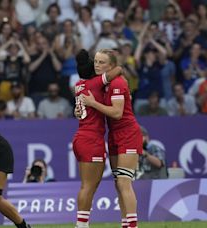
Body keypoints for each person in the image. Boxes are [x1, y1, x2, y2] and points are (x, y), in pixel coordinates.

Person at [82, 49, 143, 228]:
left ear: (111, 66)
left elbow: (117, 113)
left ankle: (132, 225)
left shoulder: (117, 83)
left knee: (124, 182)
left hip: (128, 134)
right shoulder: (104, 84)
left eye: (102, 62)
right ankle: (125, 223)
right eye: (96, 61)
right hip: (114, 135)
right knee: (119, 183)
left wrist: (93, 103)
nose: (97, 65)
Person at [73, 49, 122, 228]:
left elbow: (78, 111)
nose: (98, 65)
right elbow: (118, 70)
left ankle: (83, 223)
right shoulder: (94, 84)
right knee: (88, 186)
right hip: (91, 138)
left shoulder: (79, 85)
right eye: (95, 63)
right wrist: (112, 64)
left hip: (82, 136)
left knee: (90, 185)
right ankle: (81, 225)